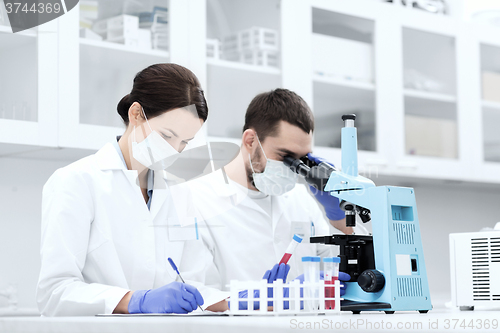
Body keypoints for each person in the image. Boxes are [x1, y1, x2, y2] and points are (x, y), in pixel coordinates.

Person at [36, 63, 290, 316]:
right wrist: (137, 300)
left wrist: (237, 301)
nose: (174, 149)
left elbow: (191, 286)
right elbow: (55, 292)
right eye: (167, 136)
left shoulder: (179, 193)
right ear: (136, 114)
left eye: (184, 142)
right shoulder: (77, 182)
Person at [181, 89, 367, 310]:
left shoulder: (302, 200)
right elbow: (194, 295)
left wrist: (339, 218)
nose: (293, 168)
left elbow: (347, 272)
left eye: (301, 159)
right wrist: (258, 300)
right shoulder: (196, 199)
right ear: (250, 141)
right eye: (284, 157)